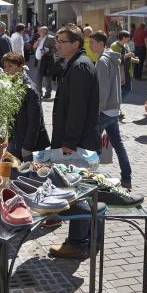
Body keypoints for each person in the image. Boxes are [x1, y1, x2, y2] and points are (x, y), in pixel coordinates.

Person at [49, 25, 100, 260]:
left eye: (62, 41)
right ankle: (90, 240)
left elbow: (77, 110)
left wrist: (68, 143)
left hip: (78, 143)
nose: (57, 45)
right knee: (83, 191)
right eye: (57, 41)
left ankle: (78, 243)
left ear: (76, 44)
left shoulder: (80, 66)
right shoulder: (75, 64)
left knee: (77, 193)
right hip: (79, 140)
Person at [89, 31, 133, 189]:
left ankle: (91, 179)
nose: (90, 46)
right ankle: (126, 178)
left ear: (101, 44)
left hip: (104, 110)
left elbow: (103, 89)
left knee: (92, 146)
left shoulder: (102, 61)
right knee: (118, 145)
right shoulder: (112, 57)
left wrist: (98, 109)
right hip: (114, 108)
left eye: (92, 43)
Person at [2, 52, 50, 160]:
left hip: (29, 144)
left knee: (27, 170)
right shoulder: (12, 84)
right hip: (15, 139)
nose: (6, 70)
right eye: (5, 66)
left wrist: (27, 147)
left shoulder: (29, 89)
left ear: (21, 67)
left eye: (10, 66)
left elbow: (35, 121)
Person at [110, 30, 138, 103]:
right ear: (123, 38)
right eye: (128, 37)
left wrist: (134, 60)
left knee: (128, 88)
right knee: (118, 89)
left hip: (127, 71)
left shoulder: (126, 45)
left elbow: (128, 57)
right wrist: (128, 55)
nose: (129, 39)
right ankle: (116, 103)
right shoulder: (114, 46)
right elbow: (114, 58)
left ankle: (118, 101)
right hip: (118, 71)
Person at [33, 26, 56, 99]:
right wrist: (35, 46)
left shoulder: (51, 38)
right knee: (38, 78)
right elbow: (35, 48)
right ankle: (39, 93)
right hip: (39, 61)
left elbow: (55, 48)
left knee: (47, 78)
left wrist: (47, 51)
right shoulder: (39, 38)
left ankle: (48, 93)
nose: (38, 32)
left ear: (44, 31)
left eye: (40, 31)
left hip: (47, 61)